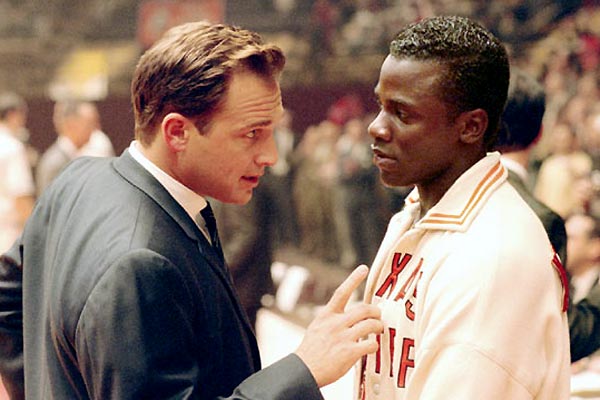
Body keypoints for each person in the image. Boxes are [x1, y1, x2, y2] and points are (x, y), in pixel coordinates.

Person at [0, 21, 383, 399]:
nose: (269, 155)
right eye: (252, 133)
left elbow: (6, 304)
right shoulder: (140, 265)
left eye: (272, 131)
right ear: (178, 132)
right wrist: (303, 369)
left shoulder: (78, 177)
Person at [359, 15, 570, 399]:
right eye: (380, 106)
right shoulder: (418, 212)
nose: (377, 127)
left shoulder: (493, 257)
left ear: (471, 127)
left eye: (402, 114)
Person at [35, 100, 98, 195]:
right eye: (89, 123)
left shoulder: (71, 156)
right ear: (72, 124)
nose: (95, 129)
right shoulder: (56, 162)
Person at [0, 92, 35, 253]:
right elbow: (21, 196)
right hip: (7, 234)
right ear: (13, 115)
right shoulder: (12, 147)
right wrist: (36, 233)